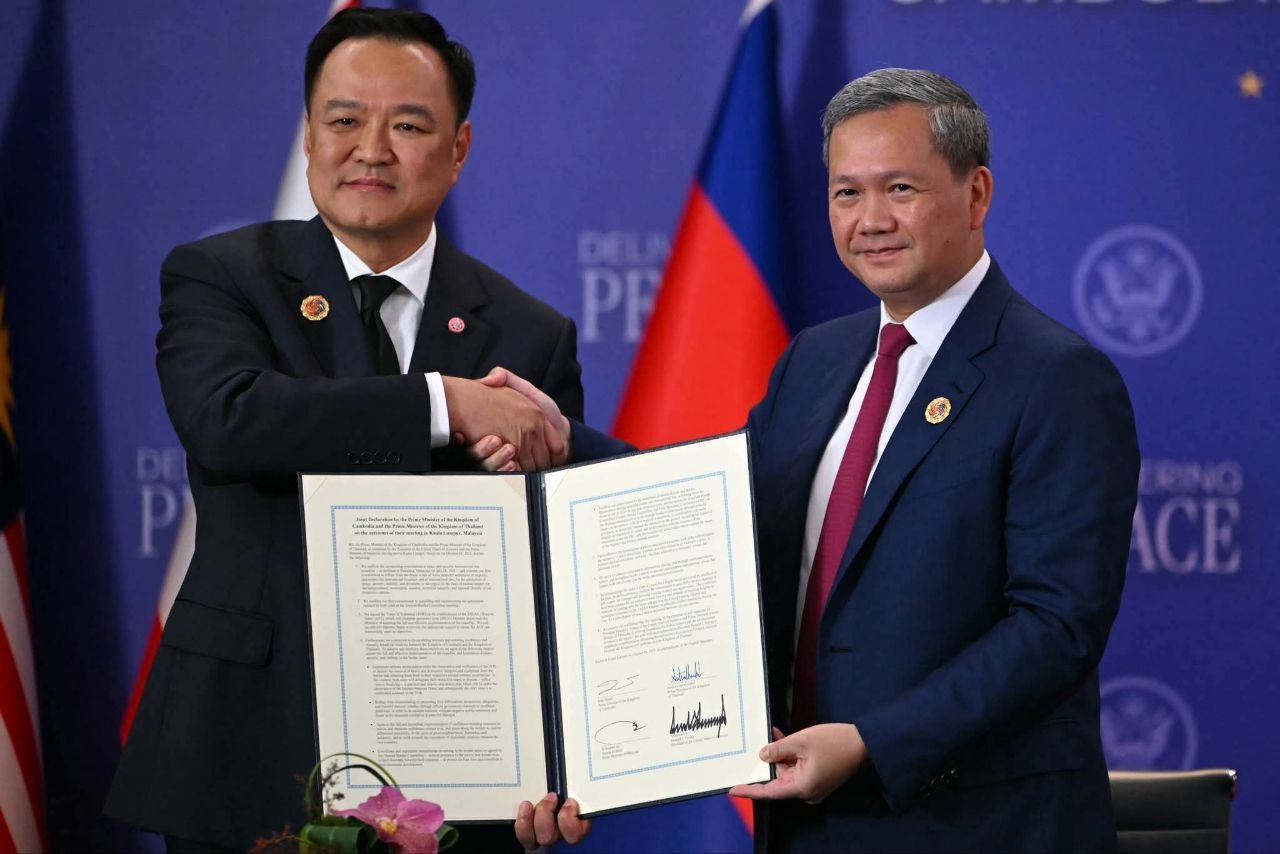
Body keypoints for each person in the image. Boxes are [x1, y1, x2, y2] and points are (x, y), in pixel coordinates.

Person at [478, 68, 1140, 851]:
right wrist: (564, 443)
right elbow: (712, 525)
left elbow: (1056, 629)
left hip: (973, 826)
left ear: (977, 193)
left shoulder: (1057, 377)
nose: (871, 220)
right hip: (806, 823)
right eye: (846, 193)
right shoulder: (816, 360)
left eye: (900, 188)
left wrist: (870, 743)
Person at [106, 9, 589, 852]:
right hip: (251, 748)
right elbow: (230, 421)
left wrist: (565, 758)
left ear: (459, 148)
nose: (372, 150)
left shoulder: (529, 334)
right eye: (344, 120)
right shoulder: (222, 276)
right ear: (308, 135)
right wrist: (446, 406)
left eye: (408, 126)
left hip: (458, 764)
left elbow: (555, 570)